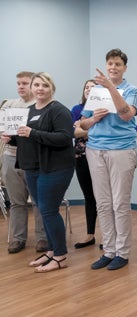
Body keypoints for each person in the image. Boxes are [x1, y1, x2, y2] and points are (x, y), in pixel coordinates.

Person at [2, 72, 74, 272]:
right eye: (37, 85)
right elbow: (28, 139)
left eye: (45, 85)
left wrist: (32, 133)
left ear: (52, 88)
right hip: (33, 168)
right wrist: (13, 138)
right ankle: (51, 251)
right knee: (43, 210)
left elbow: (64, 138)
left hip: (55, 168)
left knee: (49, 211)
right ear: (32, 88)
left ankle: (60, 256)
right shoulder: (30, 110)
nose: (40, 88)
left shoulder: (59, 110)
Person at [80, 48, 137, 271]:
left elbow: (126, 114)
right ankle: (109, 250)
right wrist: (93, 118)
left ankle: (122, 253)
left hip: (121, 150)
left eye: (117, 64)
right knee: (103, 204)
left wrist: (110, 87)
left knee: (120, 203)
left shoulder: (132, 90)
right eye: (110, 64)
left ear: (124, 68)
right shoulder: (95, 90)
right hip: (95, 150)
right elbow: (82, 124)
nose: (113, 67)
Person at [1, 71, 47, 254]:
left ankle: (43, 238)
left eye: (25, 83)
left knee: (38, 201)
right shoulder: (9, 105)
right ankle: (18, 239)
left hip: (33, 158)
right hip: (10, 156)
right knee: (16, 201)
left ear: (34, 85)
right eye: (18, 83)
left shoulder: (40, 107)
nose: (21, 86)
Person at [71, 79, 99, 249]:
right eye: (86, 87)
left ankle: (110, 238)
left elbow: (81, 130)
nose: (89, 89)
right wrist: (94, 129)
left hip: (100, 156)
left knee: (105, 198)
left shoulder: (104, 109)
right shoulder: (76, 109)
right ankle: (90, 235)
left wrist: (84, 128)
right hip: (81, 157)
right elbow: (73, 132)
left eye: (93, 87)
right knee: (89, 197)